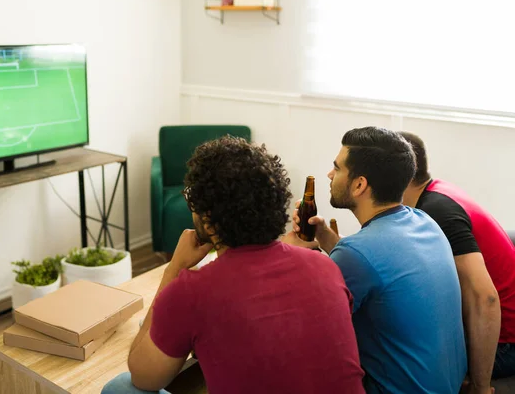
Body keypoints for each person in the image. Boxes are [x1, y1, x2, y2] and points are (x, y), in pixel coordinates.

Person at [102, 136, 365, 394]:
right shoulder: (325, 266)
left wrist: (174, 268)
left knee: (120, 387)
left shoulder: (191, 291)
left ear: (207, 216)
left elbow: (144, 376)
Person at [284, 126, 467, 393]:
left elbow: (304, 323)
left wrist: (293, 256)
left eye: (337, 168)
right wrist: (323, 237)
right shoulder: (424, 221)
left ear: (359, 185)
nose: (330, 175)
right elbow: (376, 267)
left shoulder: (356, 254)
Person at [400, 131, 514, 386]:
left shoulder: (436, 211)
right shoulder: (435, 191)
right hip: (503, 331)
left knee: (394, 357)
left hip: (506, 344)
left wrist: (480, 386)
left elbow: (485, 298)